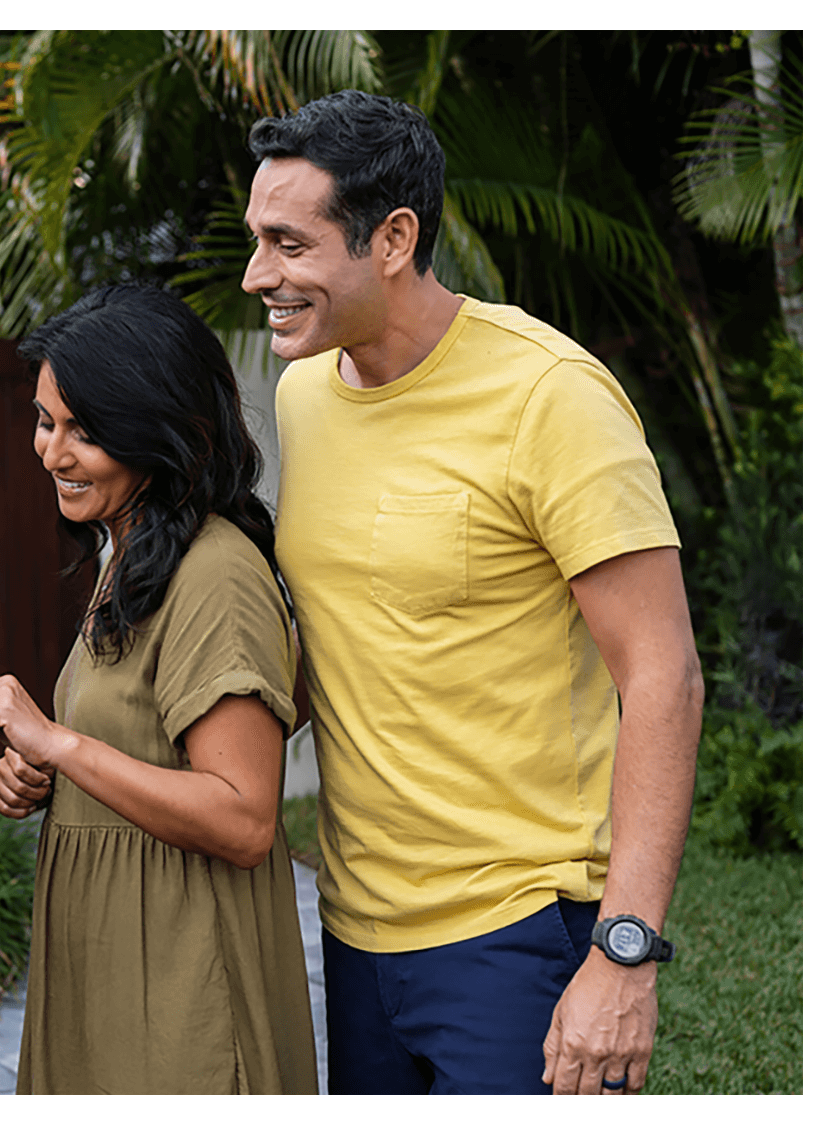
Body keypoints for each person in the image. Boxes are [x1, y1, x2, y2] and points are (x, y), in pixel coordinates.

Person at [239, 90, 704, 1096]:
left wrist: (626, 951)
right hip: (355, 928)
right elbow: (340, 637)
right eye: (256, 240)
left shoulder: (550, 396)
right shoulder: (305, 394)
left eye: (288, 243)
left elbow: (663, 674)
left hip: (519, 931)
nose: (257, 275)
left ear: (394, 238)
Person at [0, 285, 319, 1095]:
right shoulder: (135, 553)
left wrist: (58, 742)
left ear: (160, 430)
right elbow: (138, 750)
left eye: (85, 430)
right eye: (45, 421)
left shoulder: (214, 573)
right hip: (112, 962)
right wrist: (43, 773)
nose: (52, 452)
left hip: (182, 979)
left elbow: (244, 816)